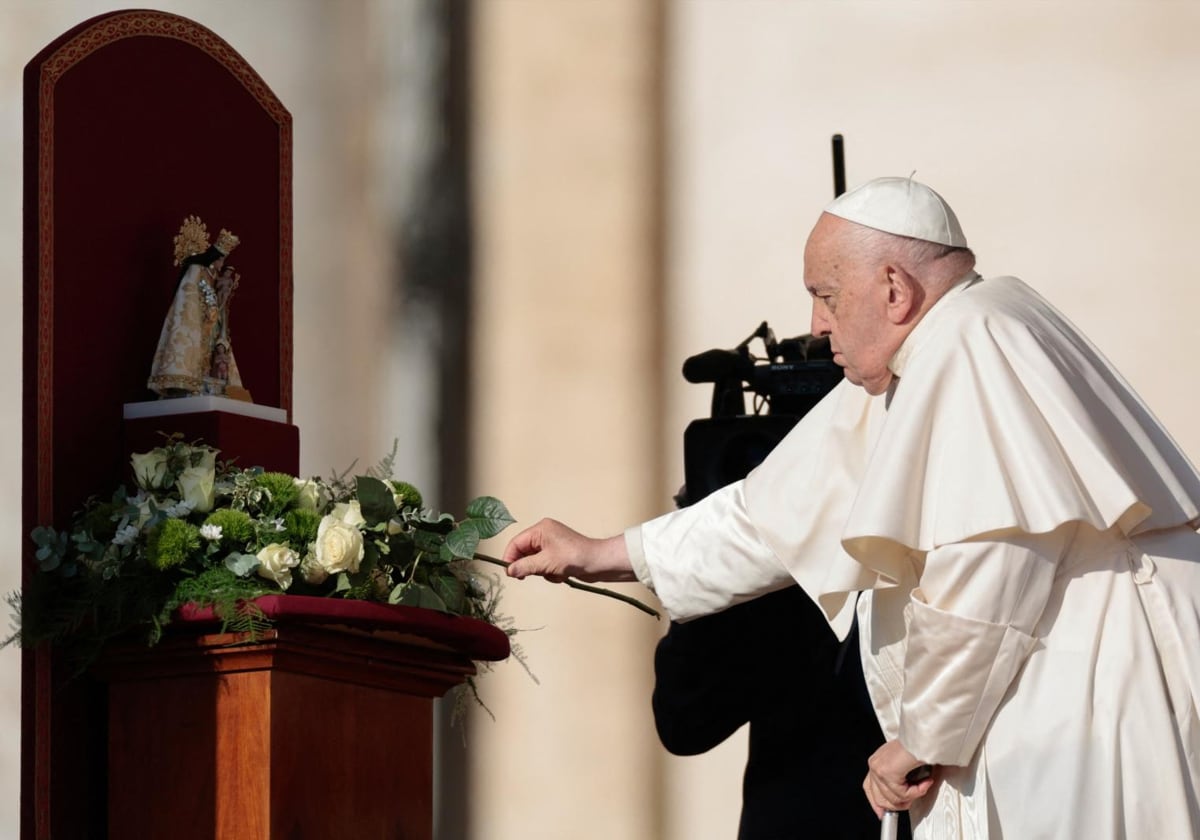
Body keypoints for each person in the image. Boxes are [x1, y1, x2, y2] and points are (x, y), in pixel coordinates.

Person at [502, 176, 1200, 838]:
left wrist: (924, 736)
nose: (816, 324)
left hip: (1093, 691)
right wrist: (601, 553)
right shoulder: (935, 353)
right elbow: (773, 514)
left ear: (895, 289)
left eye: (828, 295)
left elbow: (990, 566)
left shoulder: (968, 345)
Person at [147, 216, 246, 398]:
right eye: (220, 259)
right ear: (213, 256)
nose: (221, 264)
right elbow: (188, 301)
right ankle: (186, 379)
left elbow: (217, 303)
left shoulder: (212, 276)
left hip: (210, 325)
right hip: (195, 323)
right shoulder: (195, 271)